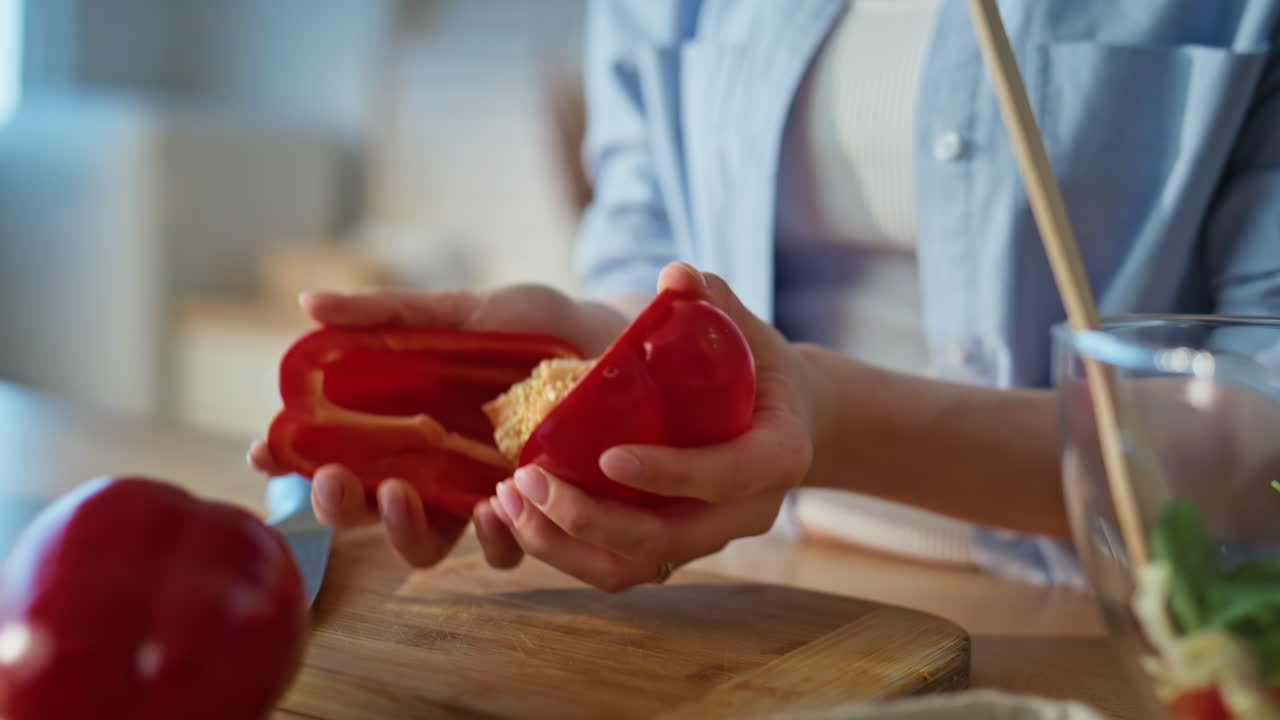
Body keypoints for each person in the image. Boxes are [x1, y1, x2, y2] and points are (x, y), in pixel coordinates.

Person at [250, 0, 1280, 592]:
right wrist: (609, 368)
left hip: (1102, 623)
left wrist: (818, 423)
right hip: (753, 598)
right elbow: (644, 226)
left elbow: (1258, 439)